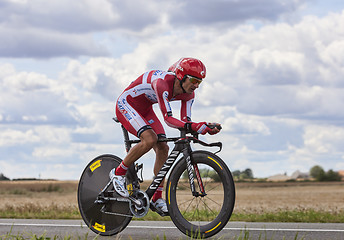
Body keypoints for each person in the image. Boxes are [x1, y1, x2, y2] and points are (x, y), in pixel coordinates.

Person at [109, 57, 221, 215]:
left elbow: (185, 122)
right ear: (181, 76)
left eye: (199, 82)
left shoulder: (189, 95)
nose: (196, 86)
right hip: (127, 104)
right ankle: (118, 173)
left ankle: (156, 197)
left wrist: (205, 127)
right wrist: (195, 126)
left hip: (145, 109)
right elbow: (168, 119)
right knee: (150, 139)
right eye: (194, 80)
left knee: (163, 147)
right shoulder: (162, 84)